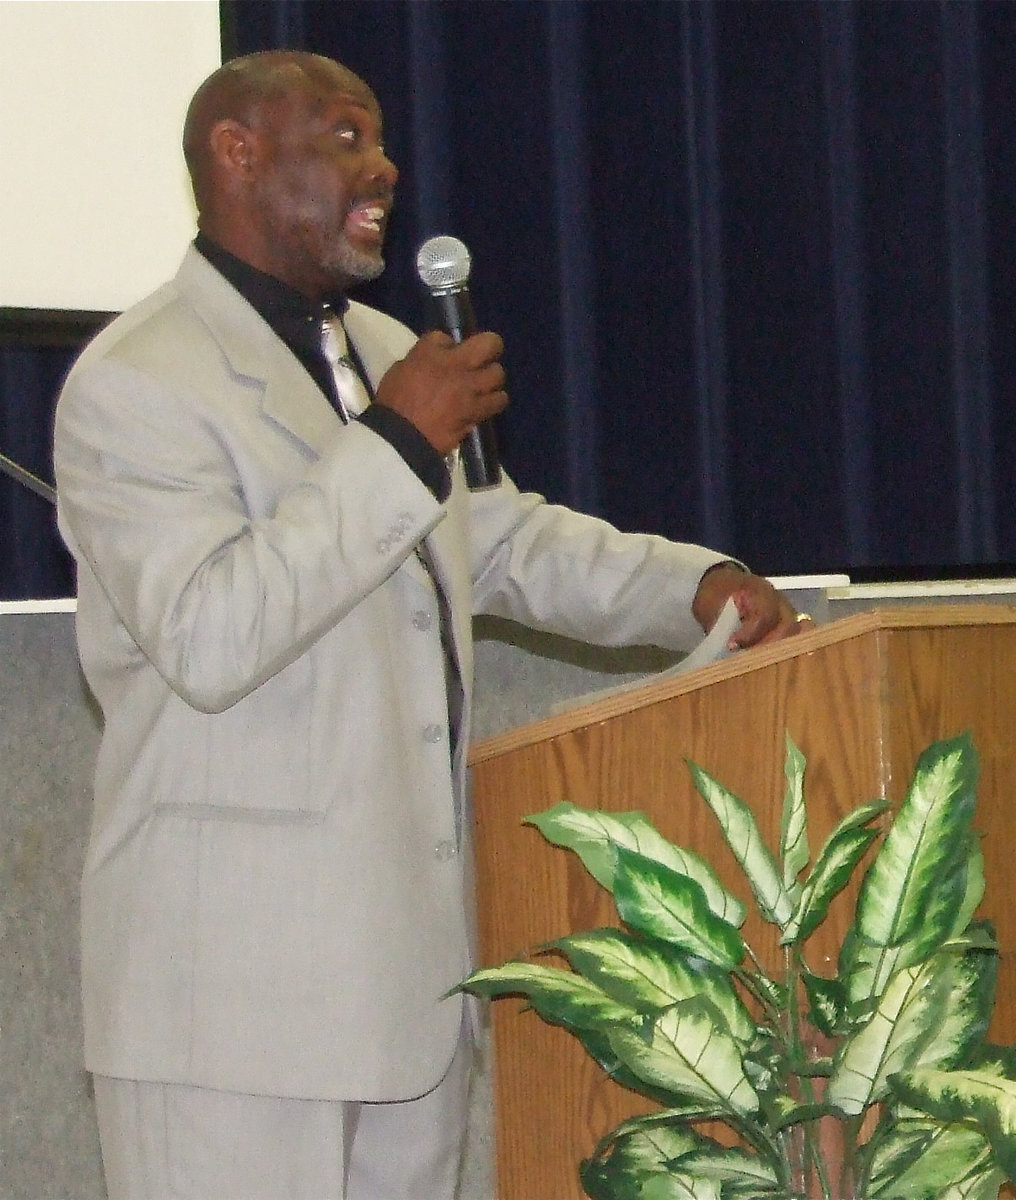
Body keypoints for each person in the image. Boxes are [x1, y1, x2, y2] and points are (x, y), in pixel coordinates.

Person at [53, 50, 802, 1200]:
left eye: (383, 139)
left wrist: (692, 589)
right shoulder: (139, 380)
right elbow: (209, 638)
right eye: (345, 138)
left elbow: (501, 542)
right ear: (237, 154)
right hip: (230, 1016)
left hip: (403, 994)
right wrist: (399, 446)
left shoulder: (387, 355)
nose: (385, 168)